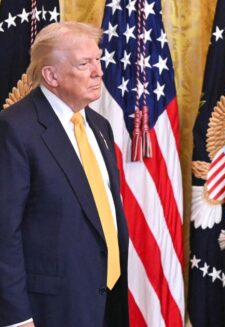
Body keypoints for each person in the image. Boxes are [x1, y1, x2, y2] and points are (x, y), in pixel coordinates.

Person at [0, 22, 129, 326]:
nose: (98, 71)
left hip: (106, 298)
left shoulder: (99, 125)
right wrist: (17, 318)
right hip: (49, 308)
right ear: (51, 75)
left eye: (98, 59)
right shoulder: (15, 129)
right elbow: (4, 232)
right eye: (85, 63)